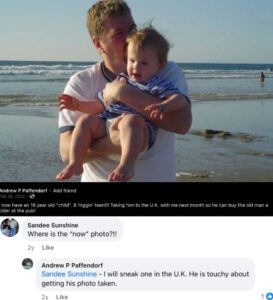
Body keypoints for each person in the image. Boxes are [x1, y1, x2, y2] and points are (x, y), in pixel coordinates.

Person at [58, 0, 192, 182]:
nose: (130, 37)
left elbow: (182, 124)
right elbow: (66, 151)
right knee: (86, 121)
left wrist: (122, 93)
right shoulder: (82, 81)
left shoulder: (165, 70)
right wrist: (112, 143)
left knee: (131, 123)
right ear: (98, 44)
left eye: (132, 29)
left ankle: (127, 164)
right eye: (119, 34)